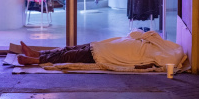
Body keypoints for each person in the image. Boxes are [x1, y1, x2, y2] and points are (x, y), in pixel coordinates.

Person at [17, 29, 185, 70]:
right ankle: (38, 54)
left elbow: (168, 63)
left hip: (106, 54)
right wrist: (150, 38)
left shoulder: (158, 55)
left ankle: (36, 59)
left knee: (71, 55)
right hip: (105, 46)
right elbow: (136, 33)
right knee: (70, 48)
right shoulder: (150, 41)